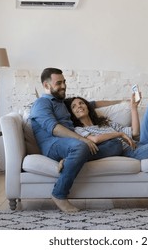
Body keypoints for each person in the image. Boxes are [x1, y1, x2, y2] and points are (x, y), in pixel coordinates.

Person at [30, 68, 124, 213]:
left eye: (64, 82)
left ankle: (70, 160)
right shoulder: (41, 103)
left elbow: (92, 104)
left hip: (70, 144)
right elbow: (54, 128)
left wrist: (123, 101)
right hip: (53, 144)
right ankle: (59, 194)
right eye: (59, 83)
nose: (63, 86)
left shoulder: (62, 102)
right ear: (46, 86)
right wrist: (82, 139)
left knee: (116, 144)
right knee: (81, 146)